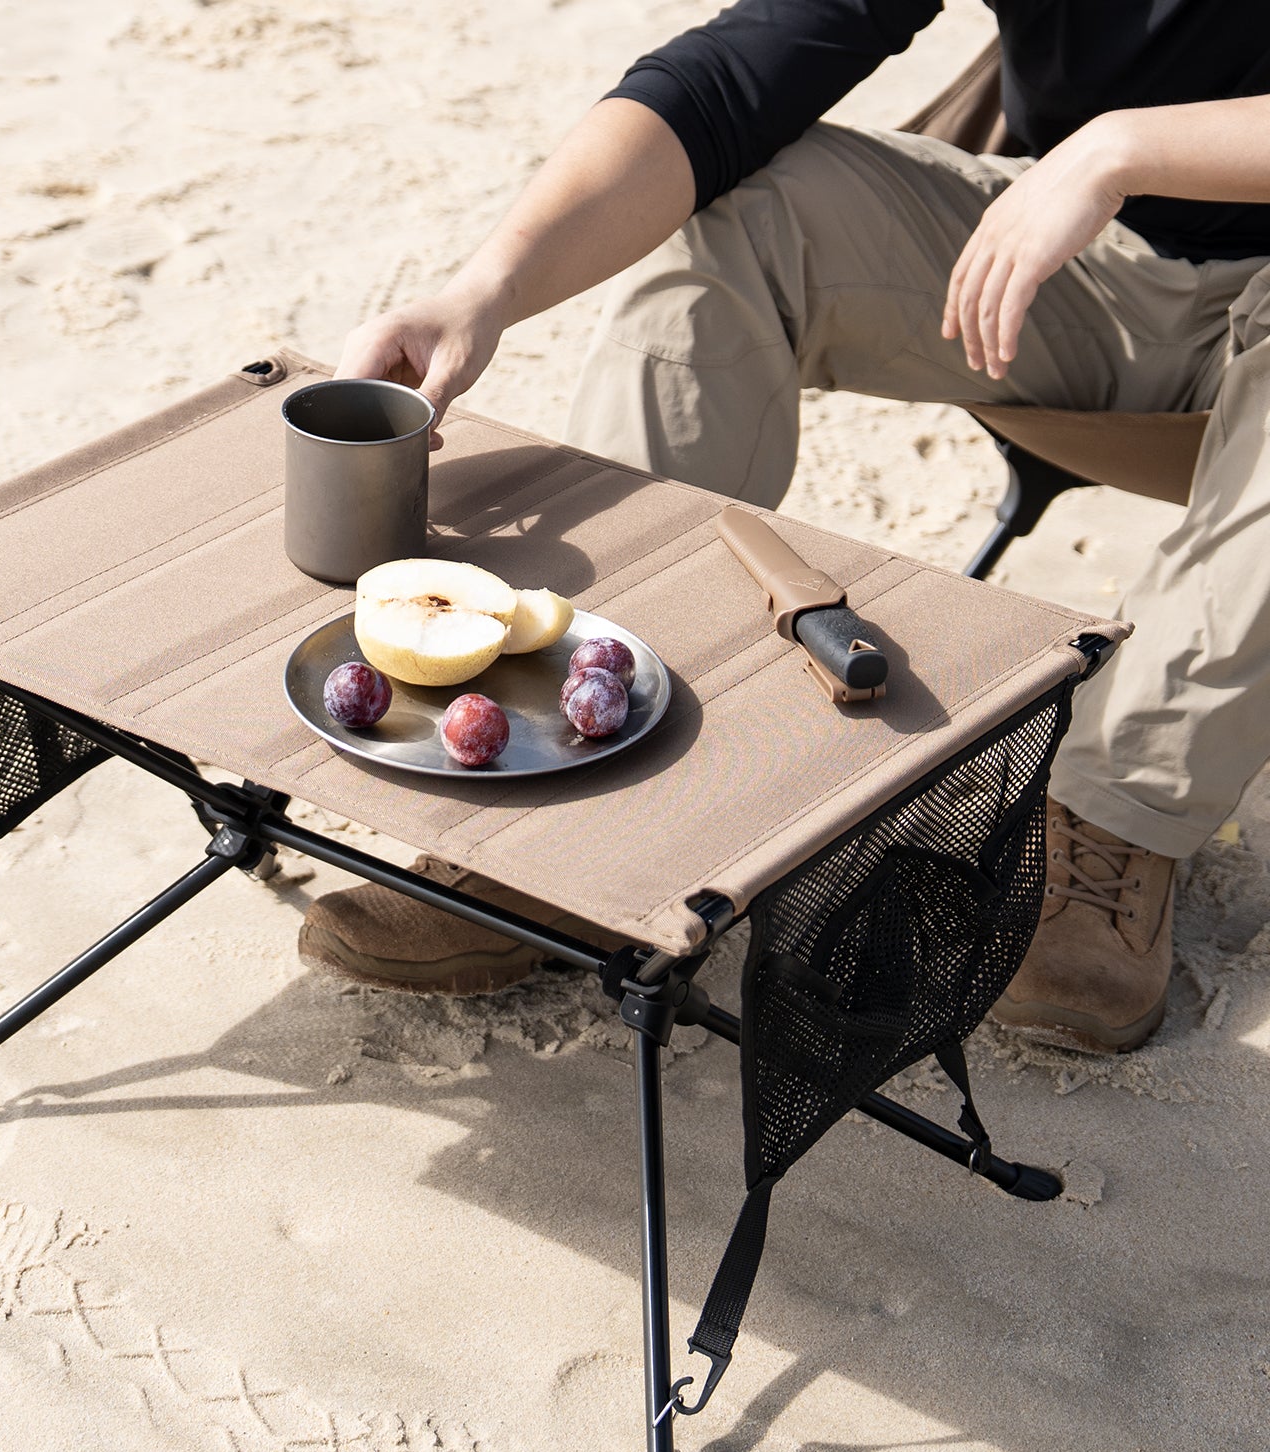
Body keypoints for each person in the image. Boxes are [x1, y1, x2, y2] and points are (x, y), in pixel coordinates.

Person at [297, 0, 1270, 1054]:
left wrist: (1124, 145)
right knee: (747, 212)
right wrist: (484, 288)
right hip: (1070, 260)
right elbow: (731, 79)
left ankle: (1116, 828)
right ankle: (593, 745)